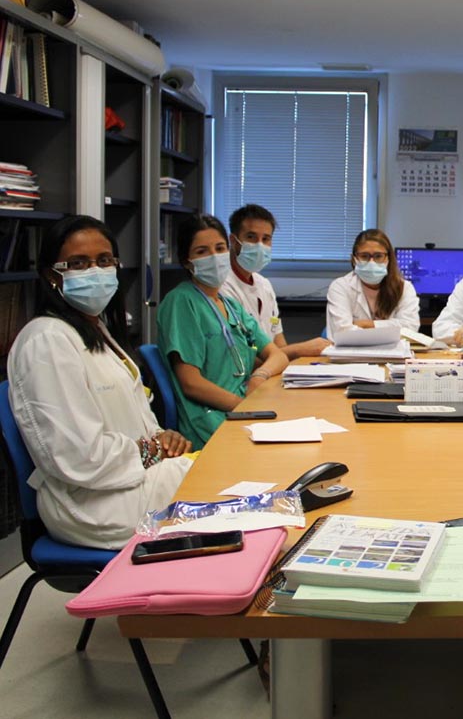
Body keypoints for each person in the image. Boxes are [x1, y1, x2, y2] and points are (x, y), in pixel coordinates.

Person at [6, 216, 193, 549]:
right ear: (52, 275)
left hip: (129, 480)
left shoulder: (94, 330)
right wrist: (152, 451)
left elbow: (131, 419)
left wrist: (162, 438)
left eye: (104, 260)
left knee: (228, 478)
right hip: (92, 505)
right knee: (226, 492)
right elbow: (79, 457)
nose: (95, 271)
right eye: (78, 263)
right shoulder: (45, 342)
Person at [157, 214, 288, 449]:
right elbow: (191, 383)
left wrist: (259, 376)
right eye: (202, 252)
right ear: (187, 261)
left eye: (219, 248)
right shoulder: (181, 302)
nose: (214, 257)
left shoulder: (230, 305)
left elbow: (278, 354)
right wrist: (245, 405)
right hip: (211, 420)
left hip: (243, 409)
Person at [220, 203, 331, 359]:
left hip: (272, 368)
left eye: (266, 239)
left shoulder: (264, 284)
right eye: (251, 237)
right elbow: (245, 354)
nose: (260, 245)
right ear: (233, 240)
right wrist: (299, 349)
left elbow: (279, 342)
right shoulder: (222, 288)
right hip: (245, 376)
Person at [325, 228, 421, 338]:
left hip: (393, 353)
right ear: (354, 259)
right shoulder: (340, 287)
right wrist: (390, 329)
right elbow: (342, 332)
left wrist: (368, 324)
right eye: (364, 256)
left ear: (388, 258)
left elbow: (410, 328)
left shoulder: (405, 288)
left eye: (378, 256)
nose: (371, 262)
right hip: (352, 352)